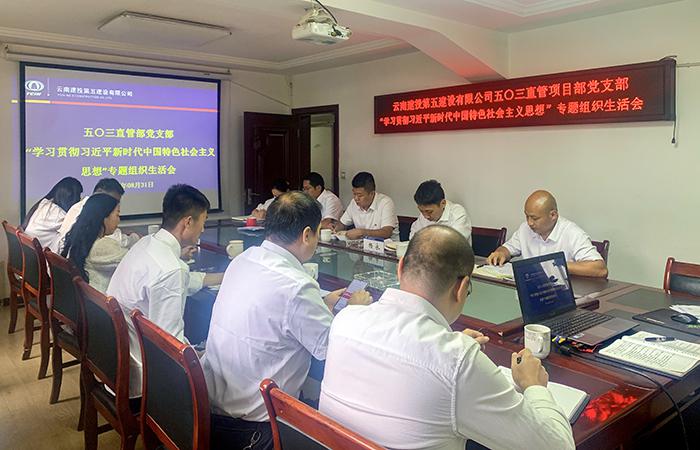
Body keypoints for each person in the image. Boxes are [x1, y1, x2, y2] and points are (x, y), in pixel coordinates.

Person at [319, 226, 575, 450]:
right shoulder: (458, 360)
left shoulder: (345, 320)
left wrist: (449, 345)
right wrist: (534, 386)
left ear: (400, 268)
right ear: (462, 288)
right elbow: (557, 445)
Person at [202, 191, 372, 450]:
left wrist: (321, 301)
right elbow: (331, 349)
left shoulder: (244, 259)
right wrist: (354, 310)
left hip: (212, 409)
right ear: (307, 235)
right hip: (256, 431)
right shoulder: (296, 286)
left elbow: (275, 307)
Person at [107, 184, 224, 398]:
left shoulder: (147, 244)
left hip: (115, 361)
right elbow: (171, 346)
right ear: (188, 222)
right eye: (203, 222)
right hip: (144, 378)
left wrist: (223, 277)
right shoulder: (171, 269)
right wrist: (201, 355)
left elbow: (179, 280)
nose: (203, 229)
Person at [487, 190, 607, 278]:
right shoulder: (525, 229)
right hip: (532, 290)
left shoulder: (572, 233)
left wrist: (555, 265)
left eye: (534, 218)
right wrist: (500, 253)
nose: (529, 222)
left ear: (553, 215)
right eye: (527, 216)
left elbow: (600, 269)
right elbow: (508, 249)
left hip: (562, 294)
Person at [61, 194, 135, 293]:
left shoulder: (81, 239)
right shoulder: (102, 246)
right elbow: (135, 262)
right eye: (117, 215)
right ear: (104, 217)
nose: (119, 220)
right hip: (104, 298)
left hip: (91, 297)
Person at [55, 178, 138, 253]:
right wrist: (135, 237)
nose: (112, 204)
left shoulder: (80, 206)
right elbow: (120, 241)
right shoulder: (101, 248)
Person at [333, 172, 398, 240]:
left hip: (387, 245)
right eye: (354, 194)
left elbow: (387, 232)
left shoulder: (385, 202)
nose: (356, 198)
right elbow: (343, 223)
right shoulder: (353, 203)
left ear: (372, 193)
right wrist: (335, 228)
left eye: (360, 195)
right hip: (361, 245)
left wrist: (362, 232)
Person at [23, 177, 83, 250]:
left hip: (29, 252)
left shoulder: (44, 204)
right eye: (79, 196)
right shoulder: (60, 217)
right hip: (39, 255)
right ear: (72, 198)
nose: (80, 199)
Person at [409, 179, 472, 244]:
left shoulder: (458, 214)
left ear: (443, 203)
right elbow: (414, 238)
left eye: (430, 212)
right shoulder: (424, 214)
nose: (426, 216)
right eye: (421, 211)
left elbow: (452, 244)